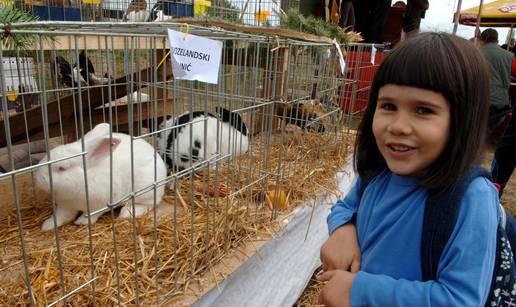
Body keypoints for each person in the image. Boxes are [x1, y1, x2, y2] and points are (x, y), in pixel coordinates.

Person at [318, 33, 499, 306]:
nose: (398, 126)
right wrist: (343, 229)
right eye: (388, 106)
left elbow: (460, 299)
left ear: (461, 120)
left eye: (423, 110)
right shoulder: (379, 173)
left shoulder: (470, 197)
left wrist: (359, 291)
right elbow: (346, 206)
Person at [479, 28, 513, 139]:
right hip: (501, 104)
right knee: (486, 133)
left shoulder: (475, 53)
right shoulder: (510, 56)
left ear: (482, 39)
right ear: (497, 41)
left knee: (477, 133)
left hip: (480, 101)